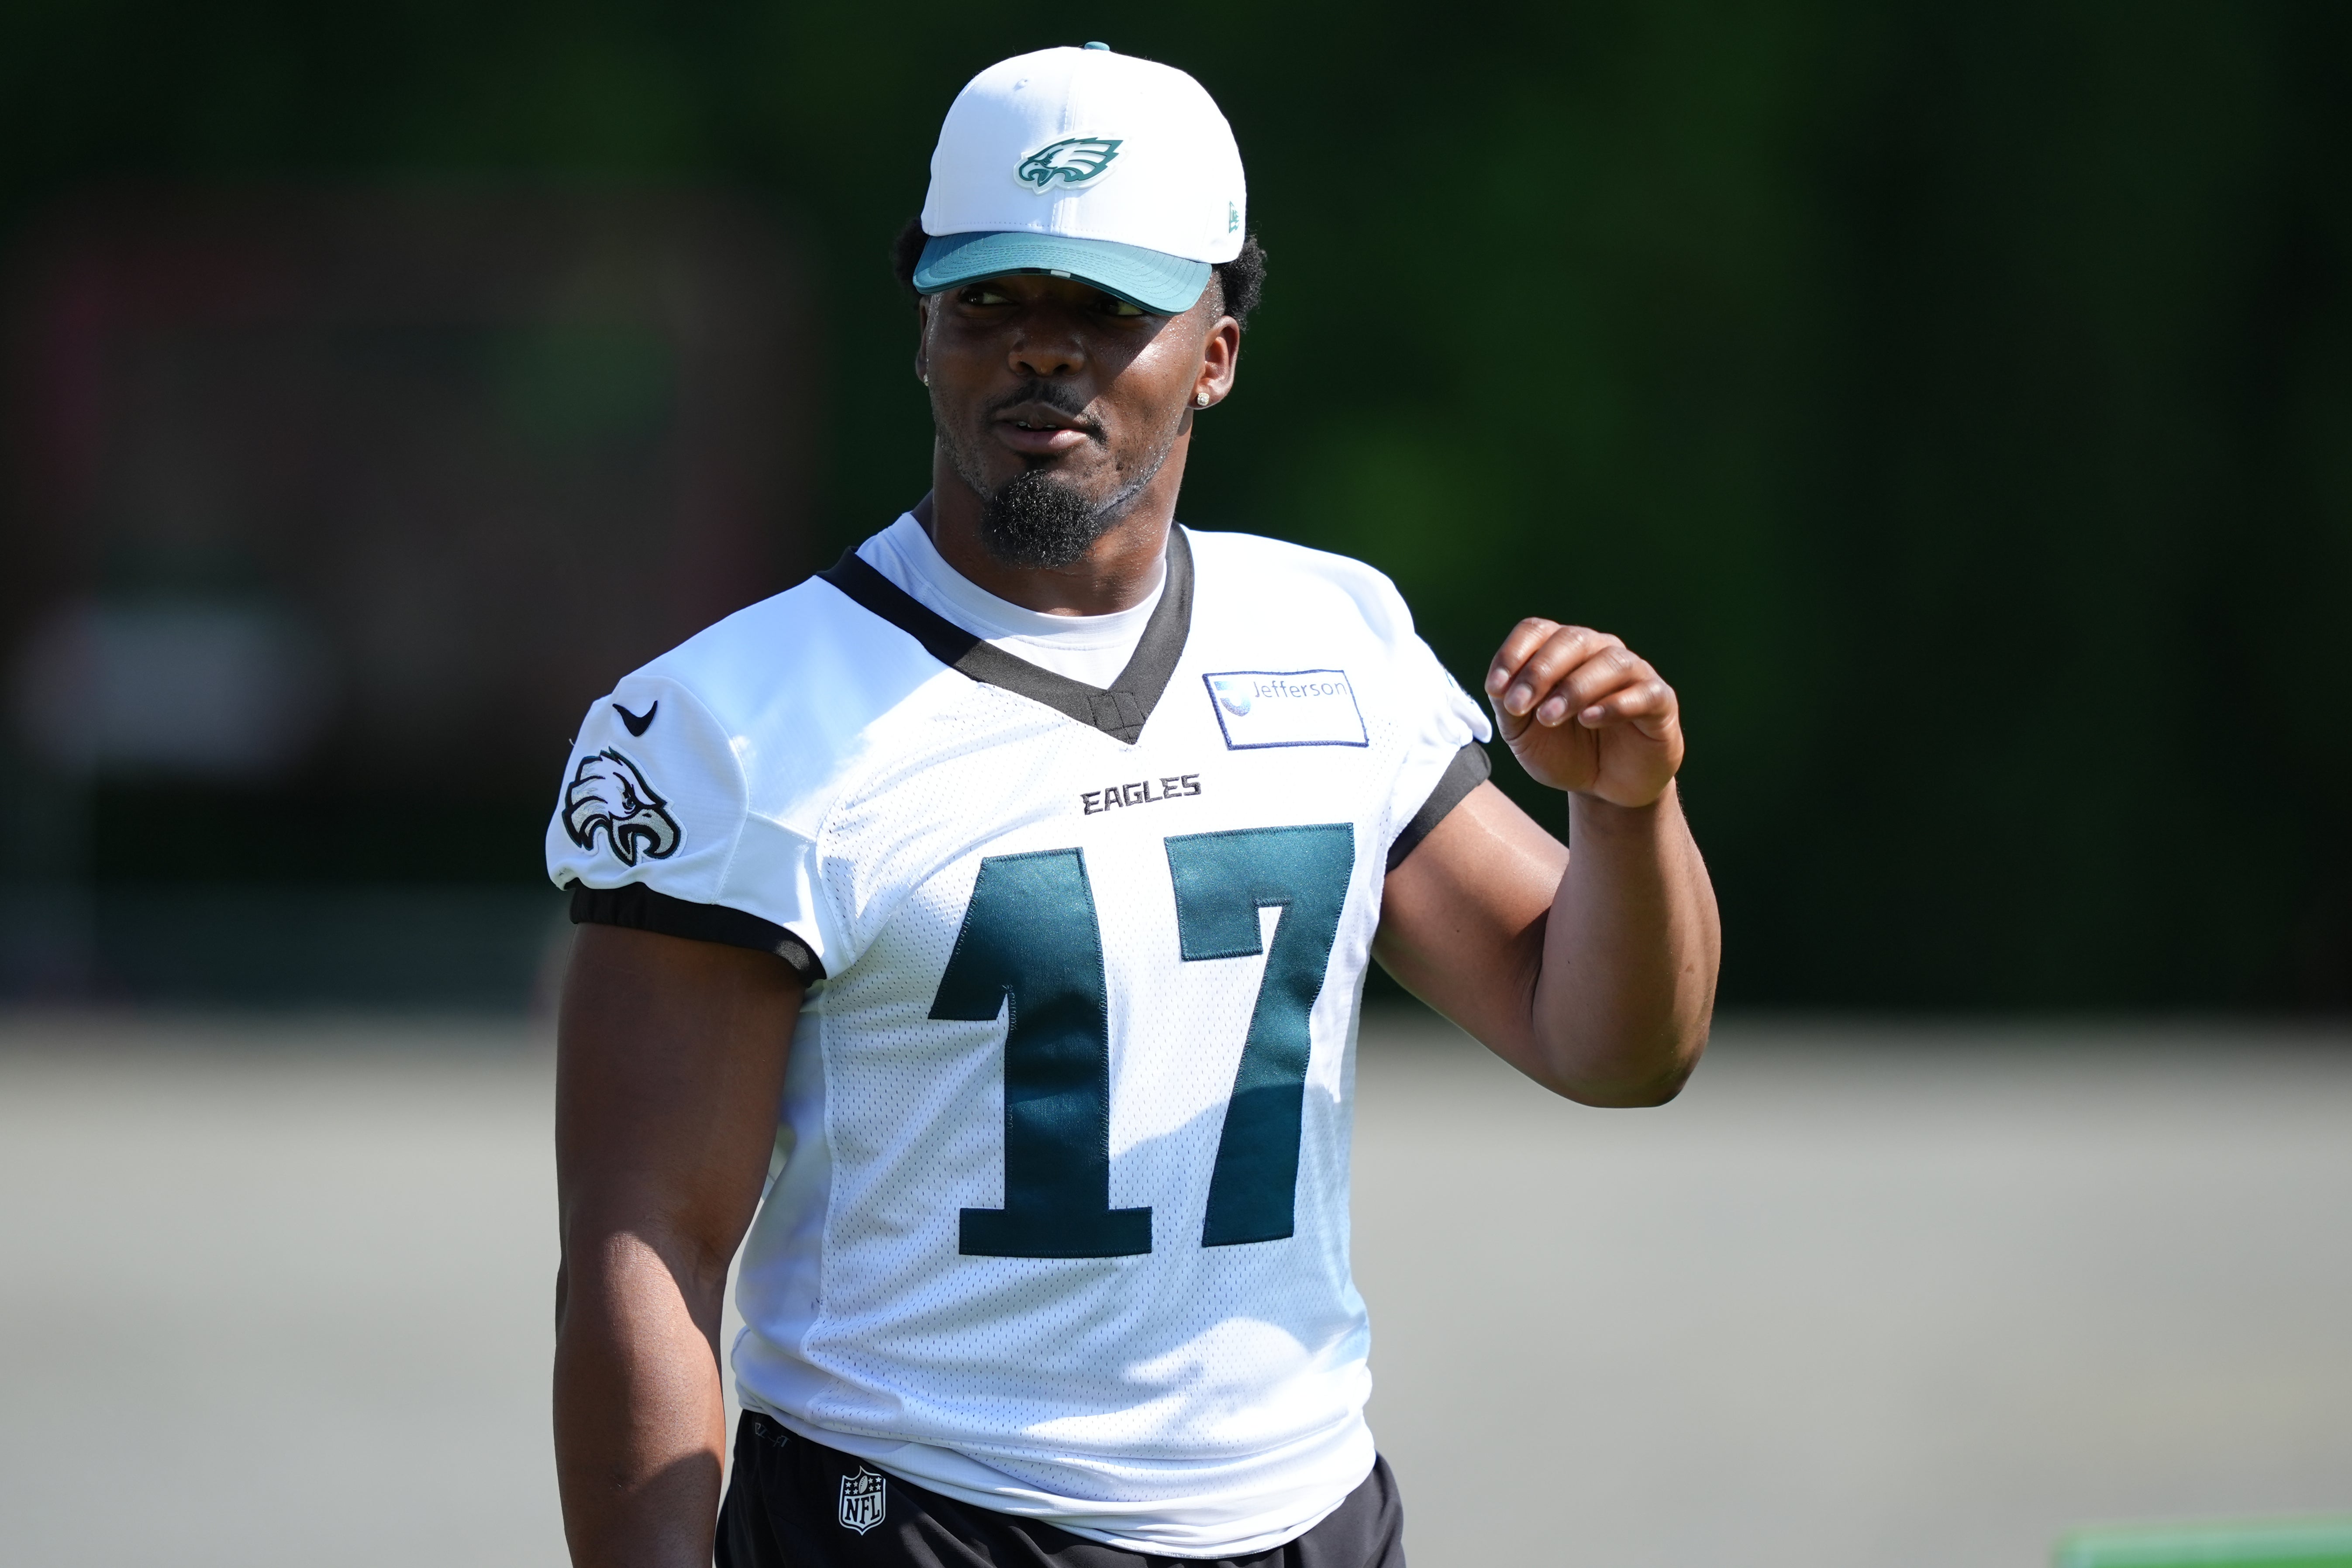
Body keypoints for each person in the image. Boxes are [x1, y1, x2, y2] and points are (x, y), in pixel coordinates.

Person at [548, 42, 1719, 1568]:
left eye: (1104, 308)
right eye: (992, 301)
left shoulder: (1330, 633)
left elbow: (1610, 1047)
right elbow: (644, 1250)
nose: (1043, 351)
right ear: (923, 332)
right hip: (922, 1521)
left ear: (1216, 352)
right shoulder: (733, 720)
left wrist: (1629, 815)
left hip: (1307, 1515)